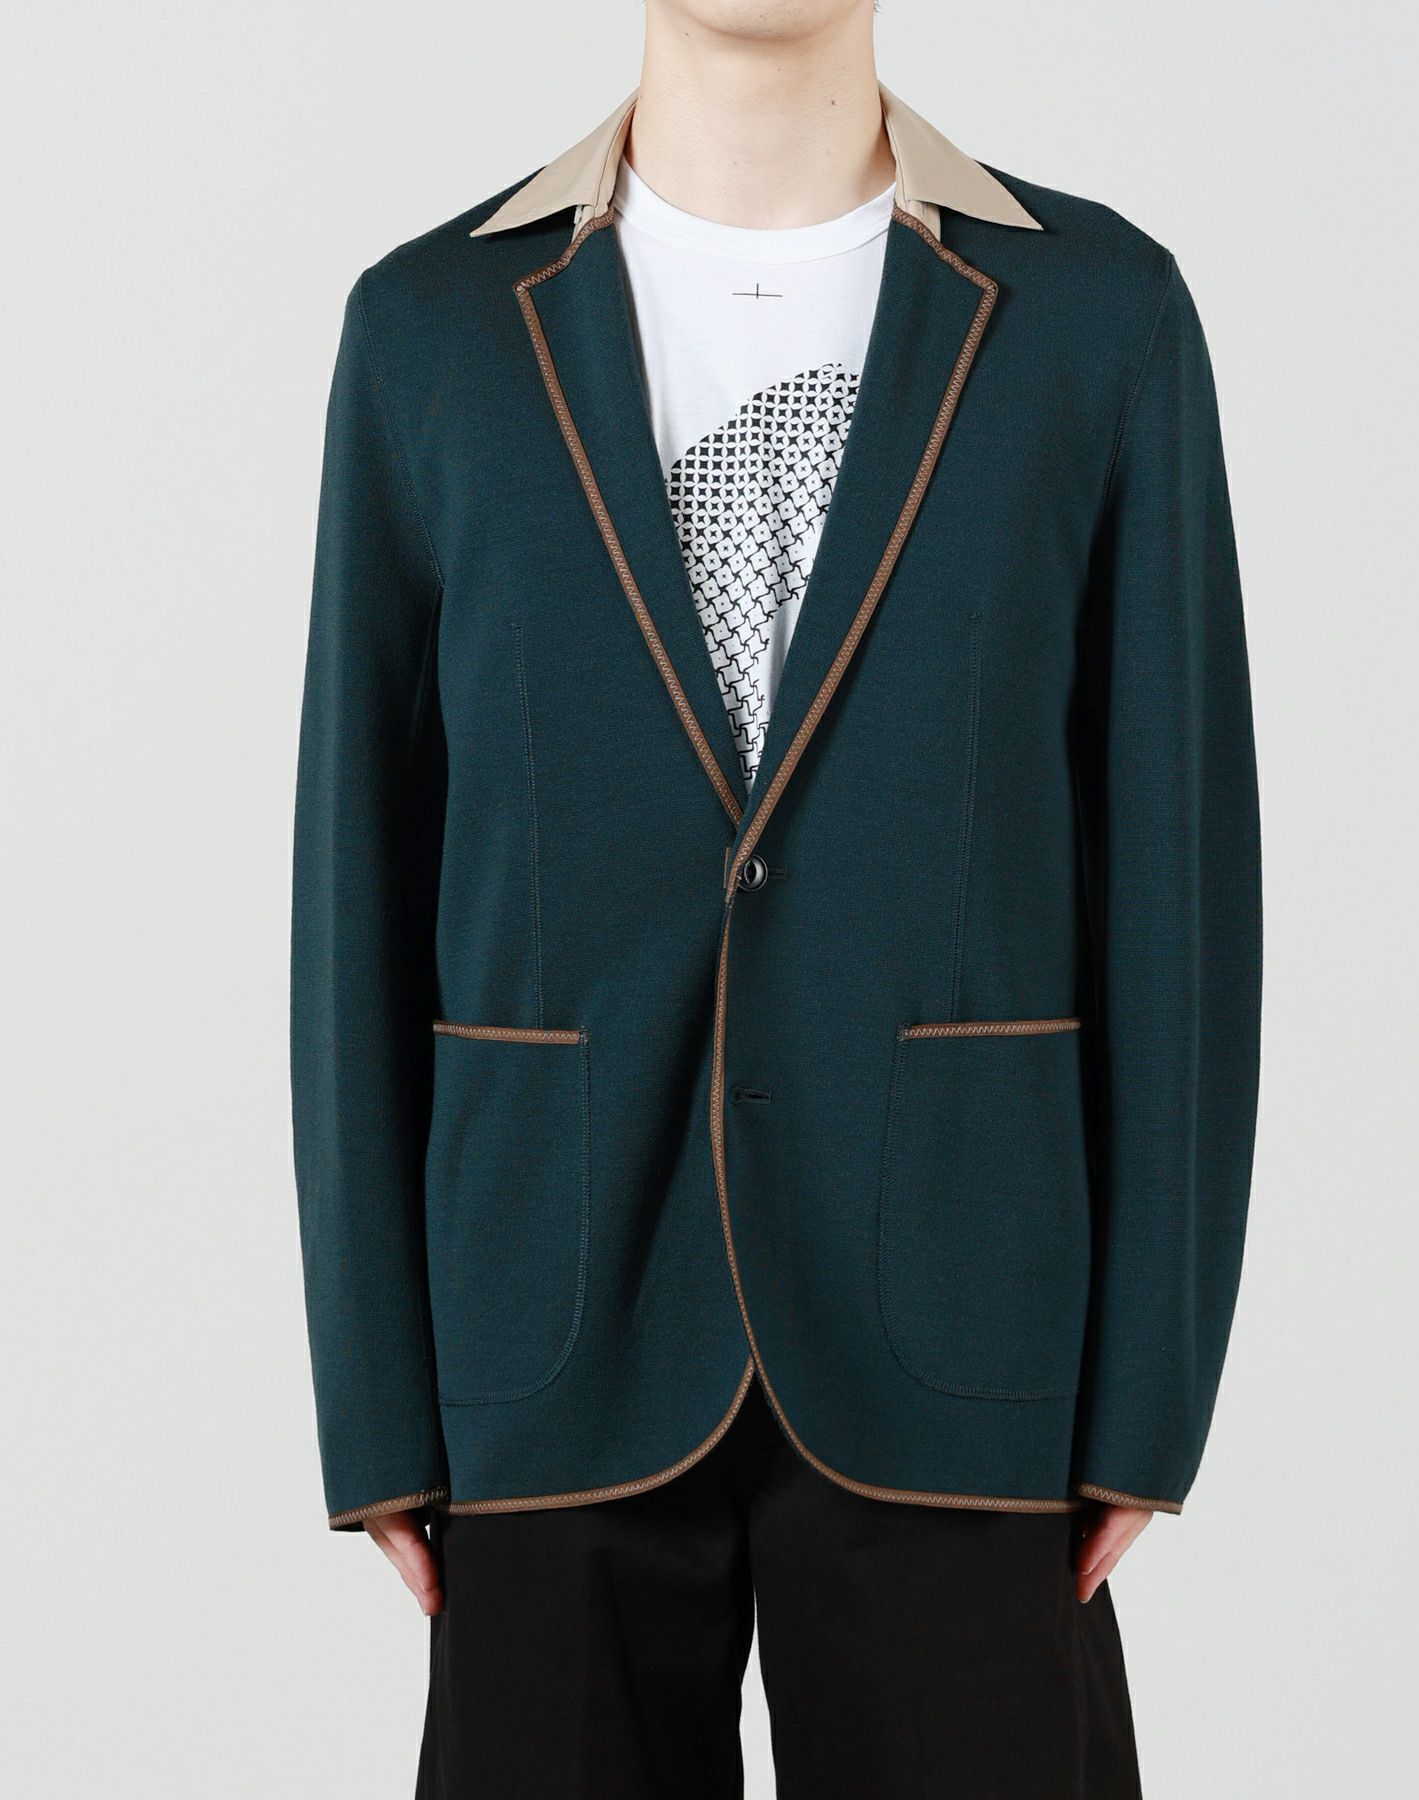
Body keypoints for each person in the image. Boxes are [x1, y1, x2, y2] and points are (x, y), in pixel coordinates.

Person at [291, 2, 1261, 1793]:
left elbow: (1178, 882)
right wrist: (375, 1401)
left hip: (963, 1317)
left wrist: (1149, 1391)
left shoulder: (1098, 317)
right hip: (547, 1314)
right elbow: (357, 872)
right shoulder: (432, 330)